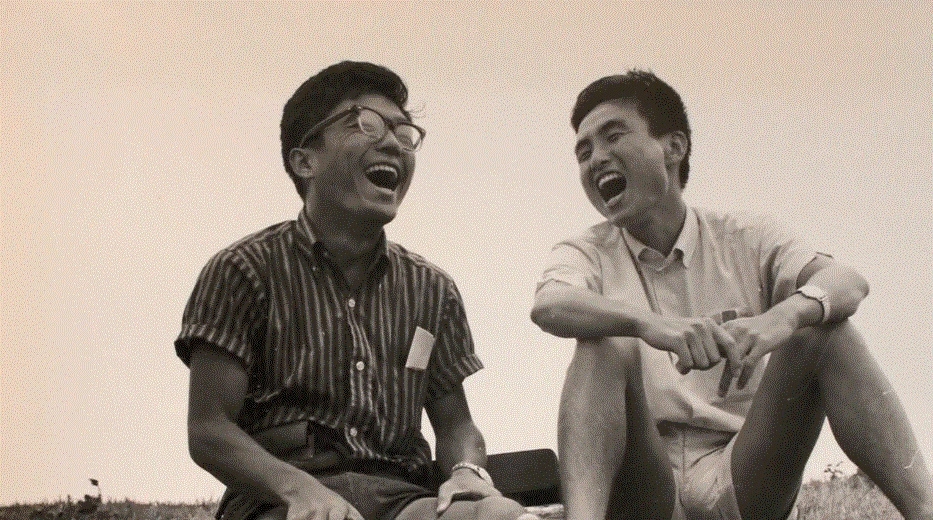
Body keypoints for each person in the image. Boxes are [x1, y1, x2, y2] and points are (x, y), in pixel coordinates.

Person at [530, 69, 933, 520]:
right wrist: (651, 325)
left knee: (823, 331)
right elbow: (549, 304)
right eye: (583, 152)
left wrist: (780, 319)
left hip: (741, 474)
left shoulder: (746, 236)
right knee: (603, 347)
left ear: (674, 147)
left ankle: (926, 510)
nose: (596, 159)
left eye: (613, 136)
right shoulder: (585, 250)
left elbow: (848, 281)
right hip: (644, 484)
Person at [177, 61, 534, 520]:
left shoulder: (433, 290)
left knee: (499, 516)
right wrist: (299, 491)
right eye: (365, 123)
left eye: (404, 132)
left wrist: (466, 470)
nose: (393, 143)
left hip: (403, 497)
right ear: (304, 161)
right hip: (280, 500)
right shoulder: (243, 270)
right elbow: (209, 429)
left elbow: (457, 425)